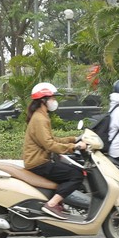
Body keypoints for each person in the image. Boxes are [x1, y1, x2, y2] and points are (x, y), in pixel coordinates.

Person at [22, 82, 87, 220]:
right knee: (77, 174)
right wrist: (74, 147)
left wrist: (74, 139)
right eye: (52, 98)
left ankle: (58, 202)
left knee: (67, 170)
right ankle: (51, 204)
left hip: (40, 161)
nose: (54, 101)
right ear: (43, 100)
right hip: (38, 163)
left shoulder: (41, 116)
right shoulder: (40, 119)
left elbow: (51, 139)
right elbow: (50, 145)